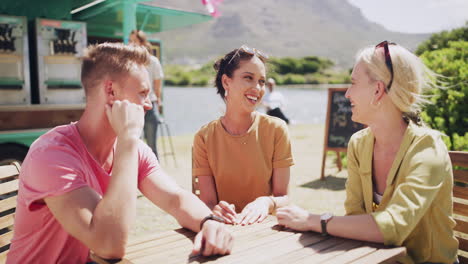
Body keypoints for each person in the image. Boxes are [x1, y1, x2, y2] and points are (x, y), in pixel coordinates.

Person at [7, 43, 233, 263]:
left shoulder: (131, 148)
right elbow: (108, 245)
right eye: (143, 93)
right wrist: (127, 138)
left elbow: (175, 199)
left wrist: (208, 221)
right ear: (111, 91)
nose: (149, 105)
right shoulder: (52, 155)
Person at [276, 41, 458, 264]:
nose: (347, 94)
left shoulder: (428, 149)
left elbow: (393, 226)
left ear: (378, 90)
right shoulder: (359, 144)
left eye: (353, 83)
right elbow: (355, 217)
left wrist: (312, 220)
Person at [192, 45, 294, 226]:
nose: (257, 88)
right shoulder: (204, 137)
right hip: (223, 230)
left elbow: (283, 197)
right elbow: (207, 203)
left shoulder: (276, 129)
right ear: (226, 82)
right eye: (248, 78)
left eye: (261, 81)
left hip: (266, 232)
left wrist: (266, 202)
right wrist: (215, 210)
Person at [129, 29, 163, 158]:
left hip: (150, 105)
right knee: (133, 145)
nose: (131, 44)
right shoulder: (128, 62)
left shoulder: (153, 61)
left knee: (151, 146)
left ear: (142, 42)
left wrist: (158, 101)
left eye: (134, 41)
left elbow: (157, 84)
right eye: (130, 41)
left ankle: (154, 174)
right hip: (133, 106)